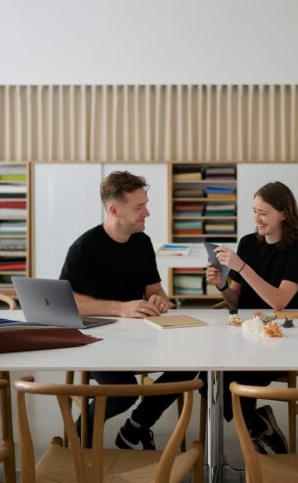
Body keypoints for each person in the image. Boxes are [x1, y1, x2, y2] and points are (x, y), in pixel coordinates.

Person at [59, 170, 196, 449]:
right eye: (139, 207)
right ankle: (78, 438)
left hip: (141, 336)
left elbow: (155, 290)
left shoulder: (142, 243)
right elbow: (67, 301)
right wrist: (120, 308)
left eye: (145, 204)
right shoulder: (84, 248)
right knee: (122, 393)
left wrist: (159, 299)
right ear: (113, 209)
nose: (147, 212)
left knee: (193, 365)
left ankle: (136, 426)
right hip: (97, 341)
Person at [205, 181, 298, 455]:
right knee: (207, 377)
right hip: (246, 334)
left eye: (263, 212)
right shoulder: (248, 243)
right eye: (254, 211)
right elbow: (236, 301)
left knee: (235, 372)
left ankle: (256, 427)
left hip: (282, 339)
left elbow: (279, 302)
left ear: (283, 214)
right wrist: (221, 284)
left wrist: (240, 265)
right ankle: (257, 425)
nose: (256, 219)